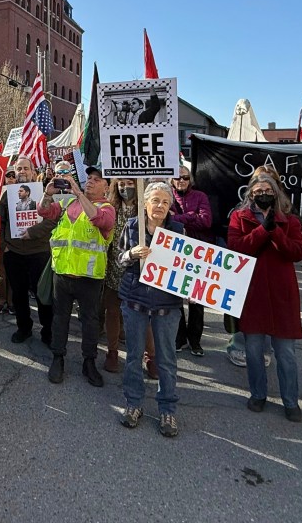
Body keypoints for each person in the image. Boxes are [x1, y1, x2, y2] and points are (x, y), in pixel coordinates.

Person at [228, 173, 302, 422]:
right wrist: (263, 230)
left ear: (276, 193)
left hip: (283, 294)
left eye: (268, 190)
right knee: (253, 350)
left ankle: (290, 401)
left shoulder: (291, 220)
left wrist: (277, 232)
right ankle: (258, 394)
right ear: (250, 194)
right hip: (252, 292)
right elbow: (237, 248)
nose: (263, 193)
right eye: (258, 190)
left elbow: (298, 252)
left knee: (286, 353)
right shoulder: (239, 217)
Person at [117, 183, 187, 437]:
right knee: (134, 356)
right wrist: (131, 254)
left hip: (167, 304)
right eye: (155, 200)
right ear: (145, 203)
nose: (160, 206)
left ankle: (167, 409)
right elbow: (119, 259)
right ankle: (133, 404)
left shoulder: (178, 230)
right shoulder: (132, 226)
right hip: (135, 299)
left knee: (166, 360)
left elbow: (188, 267)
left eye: (165, 202)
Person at [39, 164, 116, 387]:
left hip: (89, 278)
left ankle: (89, 362)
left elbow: (102, 221)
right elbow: (44, 211)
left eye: (97, 179)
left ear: (107, 186)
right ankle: (58, 358)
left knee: (90, 321)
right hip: (62, 273)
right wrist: (47, 193)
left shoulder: (107, 207)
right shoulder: (67, 203)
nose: (90, 181)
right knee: (59, 319)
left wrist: (79, 193)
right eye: (89, 178)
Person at [0, 156, 55, 347]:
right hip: (13, 252)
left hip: (38, 252)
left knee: (43, 295)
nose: (22, 171)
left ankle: (48, 331)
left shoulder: (44, 195)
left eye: (26, 168)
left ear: (33, 172)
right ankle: (24, 328)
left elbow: (51, 221)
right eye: (18, 168)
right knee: (18, 294)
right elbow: (0, 221)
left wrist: (32, 232)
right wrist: (3, 246)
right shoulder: (7, 195)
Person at [170, 166, 213, 357]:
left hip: (198, 252)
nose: (181, 181)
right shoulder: (167, 196)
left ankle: (195, 340)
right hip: (174, 252)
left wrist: (181, 218)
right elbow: (166, 222)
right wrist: (191, 217)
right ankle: (179, 338)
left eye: (185, 178)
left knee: (197, 299)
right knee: (175, 298)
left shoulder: (201, 196)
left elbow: (206, 221)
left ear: (190, 180)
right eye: (177, 178)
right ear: (171, 180)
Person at [101, 178, 136, 373]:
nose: (125, 187)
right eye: (121, 183)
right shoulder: (111, 207)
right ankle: (112, 351)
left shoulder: (144, 208)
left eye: (130, 182)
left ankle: (150, 356)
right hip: (113, 267)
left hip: (137, 270)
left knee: (140, 315)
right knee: (112, 310)